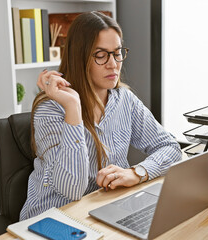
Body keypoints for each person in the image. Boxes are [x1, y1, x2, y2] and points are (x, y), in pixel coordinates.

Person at [20, 11, 182, 220]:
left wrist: (137, 173)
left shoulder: (125, 100)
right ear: (80, 57)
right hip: (52, 217)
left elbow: (170, 147)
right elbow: (72, 190)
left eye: (117, 53)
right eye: (100, 55)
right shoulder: (50, 109)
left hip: (105, 210)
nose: (113, 64)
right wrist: (73, 108)